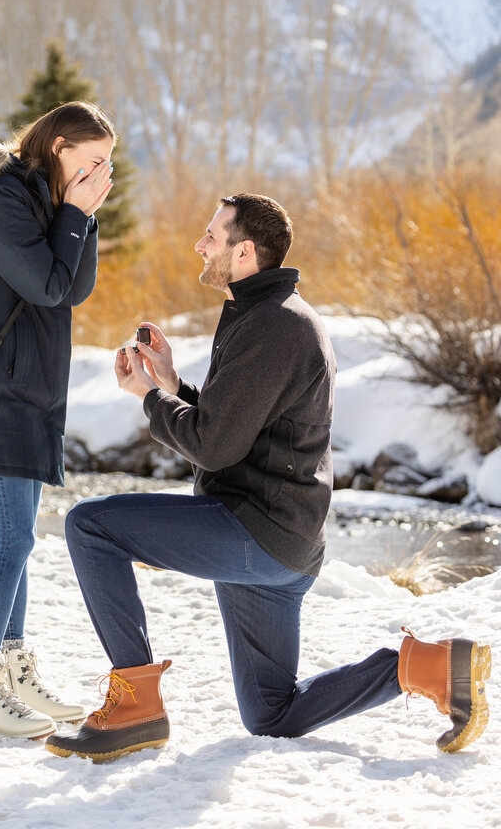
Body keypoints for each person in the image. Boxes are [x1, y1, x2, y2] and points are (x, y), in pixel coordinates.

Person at [45, 193, 492, 763]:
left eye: (213, 235)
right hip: (279, 542)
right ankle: (426, 667)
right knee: (272, 713)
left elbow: (212, 444)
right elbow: (232, 433)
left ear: (245, 251)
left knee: (90, 525)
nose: (200, 245)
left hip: (254, 532)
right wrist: (173, 386)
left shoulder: (275, 325)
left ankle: (135, 706)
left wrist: (150, 397)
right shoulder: (271, 316)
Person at [0, 101, 116, 739]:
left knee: (20, 541)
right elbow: (44, 285)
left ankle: (11, 675)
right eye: (93, 161)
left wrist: (83, 218)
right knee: (9, 540)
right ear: (59, 145)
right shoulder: (1, 197)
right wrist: (75, 214)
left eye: (108, 165)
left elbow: (73, 288)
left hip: (29, 390)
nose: (102, 172)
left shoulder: (45, 201)